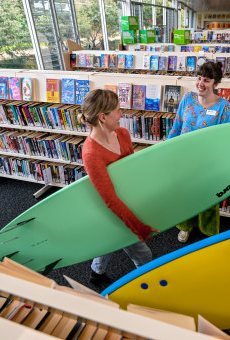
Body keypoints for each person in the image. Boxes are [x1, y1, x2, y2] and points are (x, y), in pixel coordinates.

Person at [80, 89, 159, 288]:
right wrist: (140, 228)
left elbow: (130, 172)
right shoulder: (91, 153)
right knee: (144, 255)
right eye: (117, 110)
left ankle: (96, 274)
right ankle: (147, 289)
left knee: (109, 242)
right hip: (109, 208)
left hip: (125, 201)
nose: (122, 114)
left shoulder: (123, 134)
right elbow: (110, 201)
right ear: (102, 117)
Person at [167, 61, 230, 244]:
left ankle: (209, 231)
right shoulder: (187, 98)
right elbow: (177, 125)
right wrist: (167, 150)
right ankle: (184, 227)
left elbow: (223, 138)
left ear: (216, 84)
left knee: (209, 198)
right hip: (183, 158)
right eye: (199, 78)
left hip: (207, 162)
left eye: (206, 80)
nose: (200, 83)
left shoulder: (223, 107)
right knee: (182, 195)